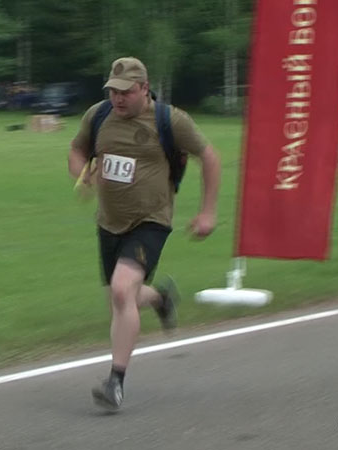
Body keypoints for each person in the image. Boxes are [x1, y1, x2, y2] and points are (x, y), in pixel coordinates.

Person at [67, 57, 221, 411]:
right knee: (123, 299)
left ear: (144, 89)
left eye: (125, 92)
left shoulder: (171, 121)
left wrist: (207, 212)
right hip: (108, 221)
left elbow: (209, 157)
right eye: (112, 91)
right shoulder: (99, 115)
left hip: (151, 219)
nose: (117, 98)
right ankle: (160, 298)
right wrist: (82, 174)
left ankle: (115, 383)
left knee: (122, 290)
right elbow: (77, 150)